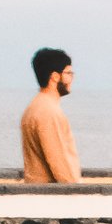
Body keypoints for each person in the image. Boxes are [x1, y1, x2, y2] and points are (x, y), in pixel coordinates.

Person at [20, 47, 81, 184]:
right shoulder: (48, 112)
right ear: (55, 76)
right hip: (50, 193)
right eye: (68, 73)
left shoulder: (35, 106)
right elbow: (59, 163)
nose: (71, 78)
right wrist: (77, 191)